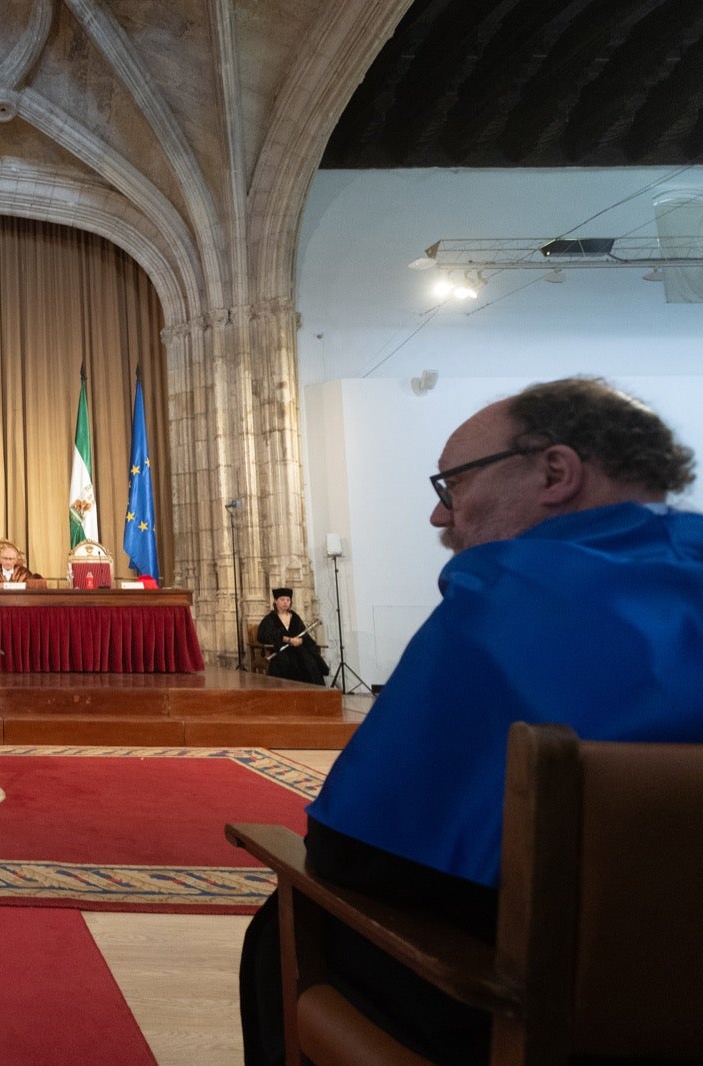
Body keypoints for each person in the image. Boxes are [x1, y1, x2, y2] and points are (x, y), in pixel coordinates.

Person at [240, 377, 703, 1065]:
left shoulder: (504, 595)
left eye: (451, 485)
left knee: (280, 927)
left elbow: (353, 849)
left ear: (555, 471)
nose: (439, 517)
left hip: (526, 1017)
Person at [255, 587, 327, 685]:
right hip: (280, 650)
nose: (285, 602)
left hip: (298, 649)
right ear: (275, 601)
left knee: (310, 662)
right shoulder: (270, 618)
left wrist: (300, 641)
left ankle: (311, 694)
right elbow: (264, 635)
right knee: (284, 663)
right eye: (282, 600)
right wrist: (287, 639)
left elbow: (304, 635)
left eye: (288, 600)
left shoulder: (295, 617)